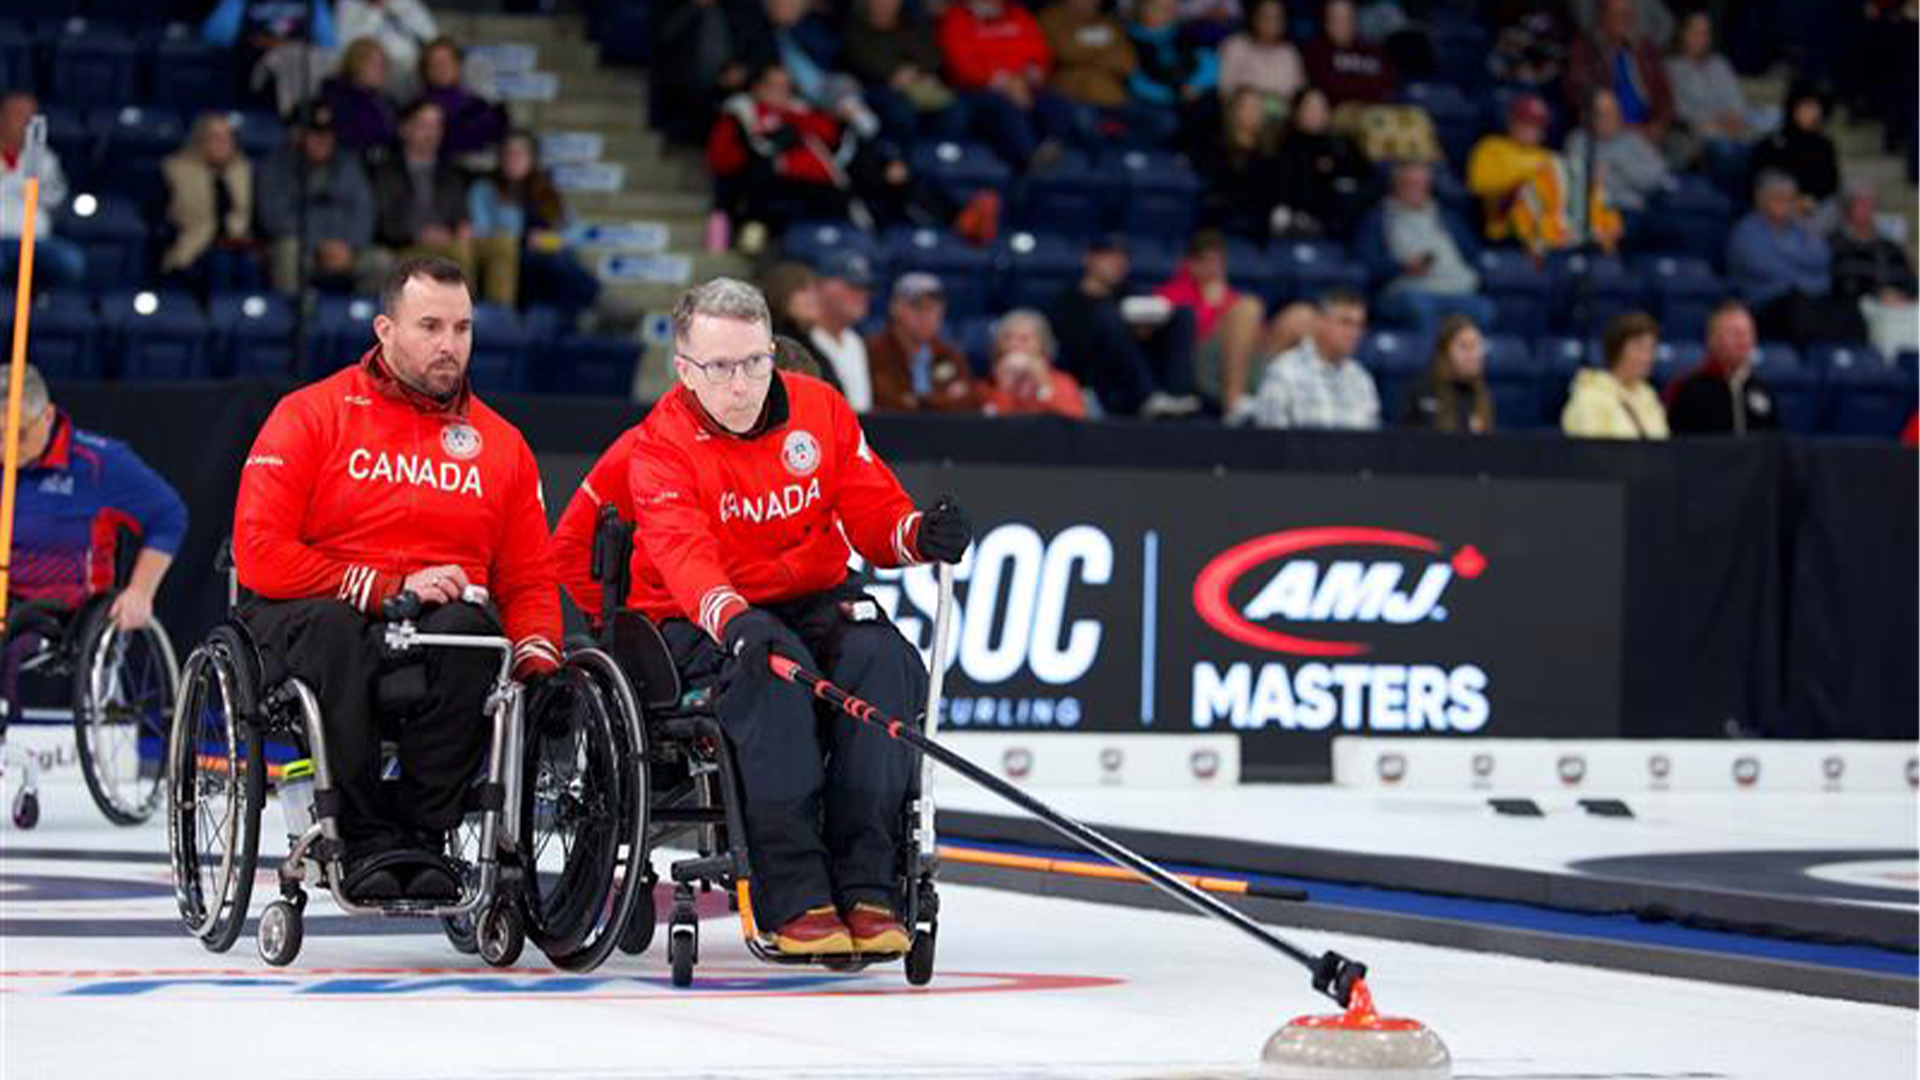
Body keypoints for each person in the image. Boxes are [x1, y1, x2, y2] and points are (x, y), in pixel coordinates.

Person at [614, 276, 971, 954]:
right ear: (686, 370)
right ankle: (797, 895)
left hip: (808, 596)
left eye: (754, 361)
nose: (742, 383)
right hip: (699, 615)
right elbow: (683, 555)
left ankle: (870, 889)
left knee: (884, 657)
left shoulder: (822, 409)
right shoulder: (660, 444)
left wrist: (919, 535)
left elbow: (873, 512)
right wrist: (731, 616)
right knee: (776, 671)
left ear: (772, 351)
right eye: (720, 367)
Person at [231, 256, 562, 902]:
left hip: (433, 627)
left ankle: (422, 833)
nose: (450, 345)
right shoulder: (310, 414)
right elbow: (258, 552)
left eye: (462, 328)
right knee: (335, 629)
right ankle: (361, 834)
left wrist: (538, 653)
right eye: (430, 326)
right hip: (313, 610)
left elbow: (529, 578)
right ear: (385, 329)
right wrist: (381, 585)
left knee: (474, 633)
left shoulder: (501, 445)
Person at [3, 364, 187, 626]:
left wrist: (141, 591)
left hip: (61, 620)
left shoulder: (100, 463)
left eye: (18, 435)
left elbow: (169, 516)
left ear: (47, 416)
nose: (5, 448)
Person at [1046, 234, 1199, 417]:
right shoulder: (1067, 301)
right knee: (1108, 316)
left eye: (1123, 257)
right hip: (1095, 377)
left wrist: (1145, 331)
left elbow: (1153, 332)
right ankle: (1148, 396)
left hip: (1135, 369)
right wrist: (1122, 329)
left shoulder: (1133, 293)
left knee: (1183, 314)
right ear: (1090, 258)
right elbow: (1072, 348)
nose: (1117, 262)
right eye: (1109, 256)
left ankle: (1176, 395)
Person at [706, 64, 855, 239]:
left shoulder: (801, 112)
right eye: (773, 85)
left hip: (815, 188)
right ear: (756, 87)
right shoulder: (740, 113)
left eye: (786, 86)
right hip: (769, 188)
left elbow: (831, 137)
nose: (781, 91)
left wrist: (794, 119)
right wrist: (768, 149)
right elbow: (722, 160)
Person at [468, 130, 602, 322]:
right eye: (508, 153)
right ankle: (597, 302)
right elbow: (482, 232)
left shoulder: (546, 191)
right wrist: (522, 239)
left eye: (520, 153)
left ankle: (584, 311)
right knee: (557, 262)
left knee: (558, 259)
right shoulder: (484, 189)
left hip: (543, 258)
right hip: (509, 260)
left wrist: (548, 240)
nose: (513, 159)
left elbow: (577, 232)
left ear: (532, 159)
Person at [1466, 92, 1622, 255]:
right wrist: (1530, 177)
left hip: (1553, 227)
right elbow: (1480, 188)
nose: (1530, 129)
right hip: (1508, 225)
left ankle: (1598, 235)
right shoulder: (1491, 148)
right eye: (1525, 122)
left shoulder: (1550, 157)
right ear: (1511, 122)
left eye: (1536, 125)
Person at [1357, 160, 1496, 337]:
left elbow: (1474, 253)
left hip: (1458, 289)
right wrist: (1403, 266)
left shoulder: (1447, 216)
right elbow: (1368, 262)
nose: (1416, 189)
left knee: (1484, 308)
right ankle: (1431, 362)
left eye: (1421, 184)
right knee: (1418, 306)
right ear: (1395, 185)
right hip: (1410, 290)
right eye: (1409, 184)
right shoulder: (1378, 218)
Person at [1725, 171, 1865, 347]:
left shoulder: (1801, 229)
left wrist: (1786, 259)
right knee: (1797, 304)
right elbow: (1765, 268)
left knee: (1849, 307)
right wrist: (1801, 269)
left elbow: (1822, 260)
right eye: (1778, 198)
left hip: (1809, 298)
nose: (1785, 204)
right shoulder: (1746, 232)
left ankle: (1850, 362)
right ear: (1761, 200)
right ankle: (1804, 364)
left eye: (1790, 198)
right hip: (1764, 304)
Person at [256, 102, 380, 295]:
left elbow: (364, 211)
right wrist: (319, 244)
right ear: (296, 134)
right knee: (288, 251)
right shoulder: (273, 167)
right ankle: (292, 319)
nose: (324, 139)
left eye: (328, 133)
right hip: (305, 250)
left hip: (346, 249)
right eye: (315, 132)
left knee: (383, 262)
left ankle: (361, 319)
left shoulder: (348, 164)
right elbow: (274, 217)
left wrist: (350, 245)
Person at [937, 0, 1075, 168]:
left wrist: (1027, 78)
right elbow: (961, 65)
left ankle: (1053, 148)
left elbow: (1039, 53)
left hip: (1024, 85)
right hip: (977, 90)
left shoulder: (1018, 14)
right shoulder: (956, 18)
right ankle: (1029, 157)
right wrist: (1006, 83)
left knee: (1057, 103)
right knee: (1006, 108)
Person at [1156, 230, 1266, 415]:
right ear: (1192, 263)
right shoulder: (1171, 293)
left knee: (1296, 316)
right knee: (1250, 307)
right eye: (1208, 262)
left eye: (1219, 262)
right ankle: (1233, 405)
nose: (1215, 269)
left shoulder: (1230, 296)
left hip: (1236, 361)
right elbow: (1179, 341)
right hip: (1197, 365)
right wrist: (1210, 305)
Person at [160, 112, 263, 296]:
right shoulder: (175, 170)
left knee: (248, 265)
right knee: (220, 263)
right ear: (200, 140)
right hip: (193, 245)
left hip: (239, 245)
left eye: (228, 138)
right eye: (215, 138)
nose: (223, 144)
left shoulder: (245, 171)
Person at [370, 101, 474, 280]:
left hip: (449, 240)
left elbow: (461, 214)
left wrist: (462, 227)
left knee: (503, 245)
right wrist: (418, 234)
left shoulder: (450, 172)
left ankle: (499, 308)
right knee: (458, 252)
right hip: (406, 245)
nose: (431, 133)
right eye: (424, 125)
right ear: (404, 129)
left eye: (436, 126)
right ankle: (463, 307)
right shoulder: (385, 172)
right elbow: (382, 222)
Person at [1251, 288, 1380, 430]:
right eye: (1345, 322)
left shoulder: (1362, 379)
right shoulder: (1283, 373)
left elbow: (1371, 443)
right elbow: (1270, 442)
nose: (1354, 333)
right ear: (1320, 321)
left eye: (1359, 325)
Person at [842, 0, 964, 145]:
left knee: (956, 108)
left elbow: (933, 55)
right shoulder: (855, 28)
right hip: (876, 87)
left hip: (919, 84)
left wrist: (917, 72)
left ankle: (942, 158)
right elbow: (858, 60)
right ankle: (904, 159)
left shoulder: (911, 24)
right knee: (901, 111)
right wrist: (892, 74)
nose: (885, 4)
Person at [0, 92, 87, 290]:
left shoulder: (43, 157)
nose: (24, 122)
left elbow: (54, 198)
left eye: (30, 117)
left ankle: (42, 304)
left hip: (35, 241)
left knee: (70, 262)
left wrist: (34, 176)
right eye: (18, 115)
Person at [865, 272, 983, 412]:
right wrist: (945, 398)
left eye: (933, 308)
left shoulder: (950, 354)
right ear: (895, 309)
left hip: (944, 433)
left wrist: (919, 401)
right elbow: (889, 402)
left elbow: (970, 401)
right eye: (917, 306)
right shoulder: (873, 351)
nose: (926, 315)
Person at [1565, 0, 1675, 145]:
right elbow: (1578, 92)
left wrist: (1659, 125)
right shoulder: (1585, 49)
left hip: (1648, 133)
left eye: (1629, 15)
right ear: (1603, 17)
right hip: (1607, 133)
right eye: (1619, 15)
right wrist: (1610, 121)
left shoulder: (1646, 49)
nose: (1626, 21)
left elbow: (1664, 96)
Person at [1830, 184, 1919, 359]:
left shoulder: (1890, 246)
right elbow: (1842, 282)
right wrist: (1878, 294)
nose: (1867, 210)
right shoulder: (1837, 244)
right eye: (1861, 205)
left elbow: (1911, 281)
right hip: (1861, 305)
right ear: (1849, 209)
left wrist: (1901, 295)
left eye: (1871, 205)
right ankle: (1889, 370)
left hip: (1900, 304)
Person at [1268, 85, 1370, 238]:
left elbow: (1366, 177)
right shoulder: (1283, 147)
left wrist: (1335, 169)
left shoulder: (1342, 145)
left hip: (1342, 221)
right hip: (1298, 222)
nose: (1316, 113)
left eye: (1321, 107)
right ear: (1297, 112)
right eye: (1310, 106)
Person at [1664, 301, 1779, 435]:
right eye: (1735, 333)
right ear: (1712, 339)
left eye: (1748, 332)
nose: (1744, 340)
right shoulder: (1687, 389)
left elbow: (1773, 446)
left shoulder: (1762, 390)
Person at [1561, 310, 1670, 438]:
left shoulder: (1649, 396)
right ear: (1617, 349)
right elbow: (1589, 453)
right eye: (1639, 347)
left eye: (1651, 348)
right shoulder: (1589, 398)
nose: (1647, 357)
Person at [1565, 88, 1670, 217]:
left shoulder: (1632, 138)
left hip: (1645, 205)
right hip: (1607, 212)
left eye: (1616, 113)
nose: (1613, 119)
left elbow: (1658, 173)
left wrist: (1622, 167)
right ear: (1590, 116)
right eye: (1605, 114)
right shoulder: (1579, 141)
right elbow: (1588, 184)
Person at [1195, 88, 1282, 240]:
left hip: (1258, 230)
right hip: (1221, 226)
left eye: (1256, 108)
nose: (1252, 113)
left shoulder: (1272, 153)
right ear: (1234, 111)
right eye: (1246, 107)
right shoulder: (1216, 148)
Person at [980, 309, 1089, 418]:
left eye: (1024, 339)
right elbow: (985, 425)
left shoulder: (1062, 382)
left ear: (1042, 345)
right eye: (1007, 338)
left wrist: (1043, 386)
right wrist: (1003, 388)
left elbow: (1074, 423)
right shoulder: (989, 384)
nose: (1014, 345)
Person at [1748, 83, 1840, 209]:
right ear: (1793, 107)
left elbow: (1830, 185)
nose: (1811, 112)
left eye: (1814, 106)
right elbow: (1761, 181)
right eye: (1805, 106)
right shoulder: (1772, 143)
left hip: (1813, 210)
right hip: (1777, 208)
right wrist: (1790, 202)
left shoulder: (1824, 146)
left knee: (1832, 206)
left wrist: (1810, 201)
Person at [416, 37, 508, 163]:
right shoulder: (418, 107)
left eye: (447, 61)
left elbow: (498, 134)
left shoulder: (478, 103)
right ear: (425, 69)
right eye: (435, 63)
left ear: (458, 66)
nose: (441, 67)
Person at [1401, 314, 1494, 434]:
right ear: (1445, 352)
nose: (1474, 354)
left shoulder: (1481, 394)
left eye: (1477, 346)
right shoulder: (1422, 389)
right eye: (1465, 347)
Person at [808, 251, 876, 412]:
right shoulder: (804, 339)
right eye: (852, 287)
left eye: (865, 288)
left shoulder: (855, 341)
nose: (862, 295)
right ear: (822, 286)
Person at [1216, 0, 1304, 117]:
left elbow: (1297, 94)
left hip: (1281, 121)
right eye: (1265, 16)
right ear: (1254, 18)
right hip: (1241, 117)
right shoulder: (1236, 46)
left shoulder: (1290, 52)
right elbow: (1224, 92)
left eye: (1277, 18)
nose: (1271, 23)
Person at [1302, 0, 1396, 105]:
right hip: (1338, 112)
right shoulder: (1316, 53)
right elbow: (1329, 89)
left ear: (1355, 20)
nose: (1343, 24)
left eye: (1347, 18)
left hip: (1376, 108)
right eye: (1336, 19)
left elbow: (1388, 85)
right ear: (1326, 23)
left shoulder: (1374, 51)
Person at [336, 0, 439, 95]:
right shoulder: (348, 3)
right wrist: (375, 10)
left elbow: (431, 35)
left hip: (412, 63)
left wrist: (396, 10)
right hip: (373, 65)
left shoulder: (406, 2)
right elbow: (348, 44)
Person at [323, 38, 403, 159]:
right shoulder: (336, 98)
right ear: (355, 65)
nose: (381, 70)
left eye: (383, 65)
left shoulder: (387, 100)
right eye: (375, 65)